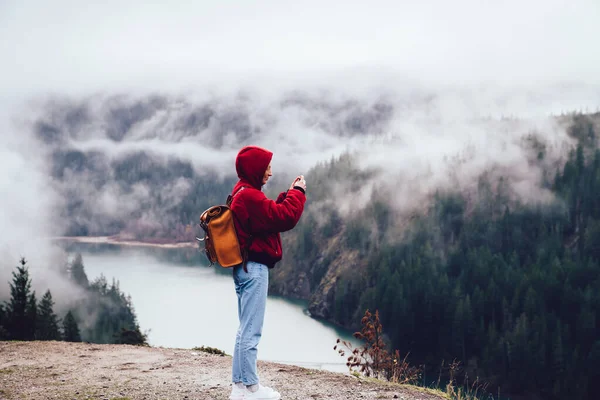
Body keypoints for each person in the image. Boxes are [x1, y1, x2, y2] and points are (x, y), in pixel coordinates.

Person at [228, 145, 306, 400]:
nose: (270, 173)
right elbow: (285, 217)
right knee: (252, 331)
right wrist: (298, 193)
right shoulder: (249, 196)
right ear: (255, 169)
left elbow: (269, 214)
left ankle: (239, 387)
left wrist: (287, 194)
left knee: (244, 328)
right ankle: (251, 388)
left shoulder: (241, 192)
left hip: (243, 268)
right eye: (267, 167)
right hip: (255, 270)